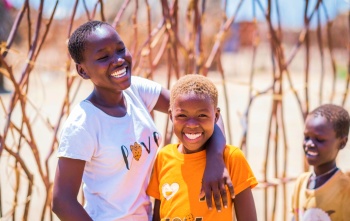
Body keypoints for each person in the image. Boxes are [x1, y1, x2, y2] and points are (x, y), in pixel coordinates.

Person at [51, 20, 234, 221]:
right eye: (104, 57)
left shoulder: (136, 91)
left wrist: (216, 159)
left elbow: (202, 109)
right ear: (83, 71)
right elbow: (62, 200)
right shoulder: (84, 123)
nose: (118, 60)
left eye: (121, 49)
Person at [146, 74, 258, 221]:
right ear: (171, 116)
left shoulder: (231, 159)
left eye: (202, 115)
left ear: (216, 116)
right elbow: (158, 215)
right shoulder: (164, 157)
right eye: (182, 115)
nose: (192, 124)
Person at [291, 104, 350, 221]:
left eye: (319, 140)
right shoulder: (301, 183)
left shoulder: (346, 189)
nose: (309, 144)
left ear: (342, 143)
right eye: (306, 137)